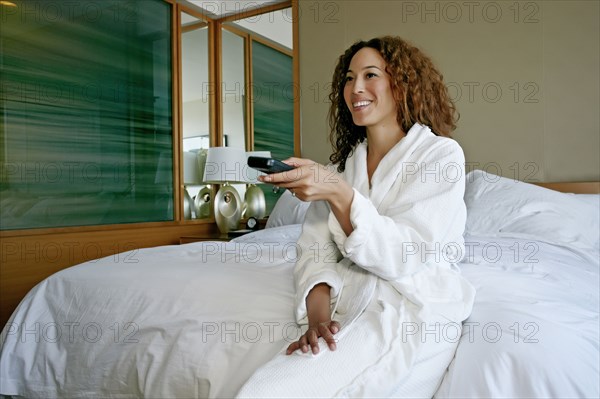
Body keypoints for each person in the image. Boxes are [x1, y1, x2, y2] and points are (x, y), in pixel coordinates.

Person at [237, 36, 476, 398]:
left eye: (370, 75)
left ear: (403, 82)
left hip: (412, 311)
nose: (356, 88)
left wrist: (336, 192)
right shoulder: (342, 169)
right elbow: (314, 252)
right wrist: (318, 320)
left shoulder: (441, 156)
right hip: (344, 312)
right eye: (349, 78)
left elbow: (406, 253)